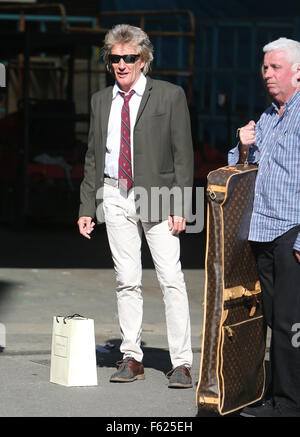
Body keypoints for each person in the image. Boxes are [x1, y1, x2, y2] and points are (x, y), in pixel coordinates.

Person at [77, 24, 194, 388]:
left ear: (143, 60)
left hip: (158, 196)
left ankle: (182, 363)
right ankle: (131, 357)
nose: (122, 64)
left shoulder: (169, 96)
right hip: (113, 194)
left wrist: (181, 205)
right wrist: (86, 205)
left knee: (170, 279)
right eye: (115, 58)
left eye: (129, 57)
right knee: (126, 280)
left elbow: (183, 155)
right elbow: (94, 157)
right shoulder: (100, 101)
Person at [228, 37, 300, 417]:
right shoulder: (270, 114)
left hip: (292, 229)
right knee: (273, 319)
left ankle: (290, 403)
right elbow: (237, 167)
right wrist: (242, 147)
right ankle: (274, 393)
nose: (267, 74)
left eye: (275, 67)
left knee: (291, 322)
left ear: (298, 72)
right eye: (265, 67)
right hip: (263, 230)